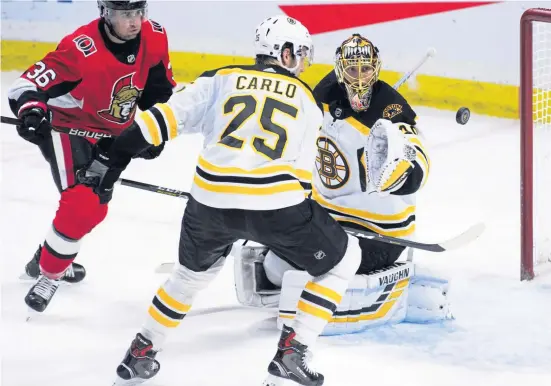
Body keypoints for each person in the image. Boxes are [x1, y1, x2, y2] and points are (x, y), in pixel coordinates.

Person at [78, 14, 361, 386]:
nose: (303, 63)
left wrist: (108, 164)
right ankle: (294, 350)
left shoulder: (219, 78)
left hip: (209, 203)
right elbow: (303, 181)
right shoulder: (307, 100)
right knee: (344, 258)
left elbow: (152, 125)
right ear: (285, 53)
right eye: (301, 54)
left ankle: (141, 352)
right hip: (277, 206)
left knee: (189, 277)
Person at [234, 34, 449, 334]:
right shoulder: (324, 95)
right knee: (273, 267)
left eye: (365, 70)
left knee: (295, 270)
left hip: (380, 234)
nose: (359, 78)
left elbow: (417, 156)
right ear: (339, 70)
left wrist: (401, 172)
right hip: (331, 219)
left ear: (376, 69)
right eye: (352, 70)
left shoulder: (390, 110)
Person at [7, 0, 176, 312]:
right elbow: (26, 85)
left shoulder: (155, 36)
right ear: (105, 13)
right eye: (125, 14)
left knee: (94, 206)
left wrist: (153, 129)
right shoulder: (80, 48)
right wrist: (31, 111)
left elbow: (158, 93)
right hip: (68, 129)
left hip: (115, 136)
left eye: (139, 12)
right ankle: (50, 274)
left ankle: (49, 255)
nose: (135, 22)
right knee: (84, 202)